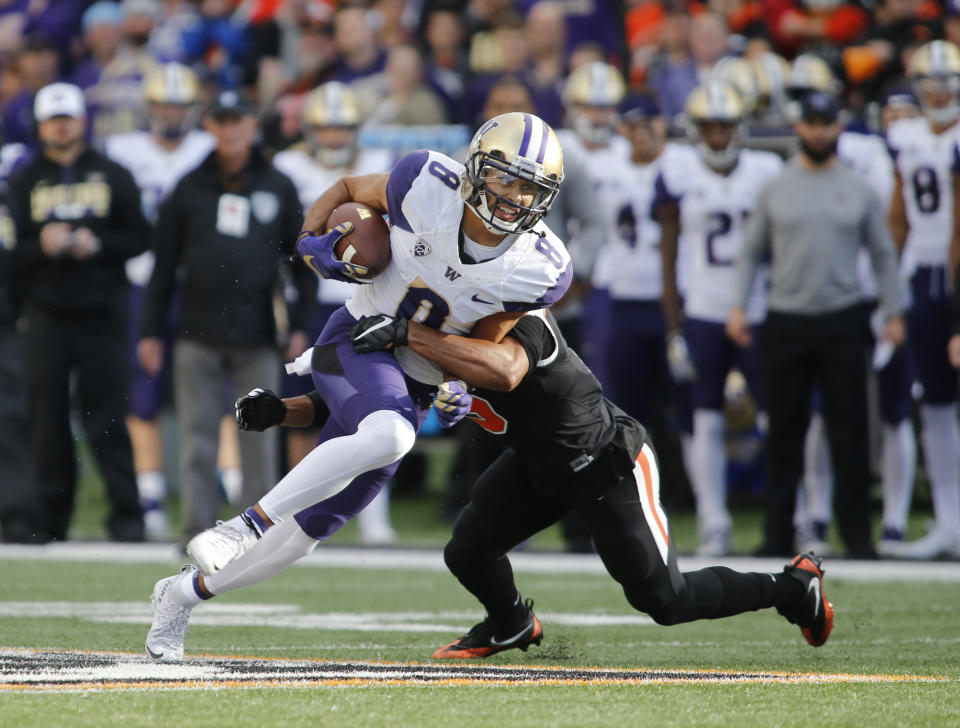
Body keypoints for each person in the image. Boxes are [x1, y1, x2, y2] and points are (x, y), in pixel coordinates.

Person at [144, 111, 572, 662]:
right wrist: (307, 242)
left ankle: (179, 596)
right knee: (392, 436)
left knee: (300, 540)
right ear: (475, 168)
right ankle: (242, 526)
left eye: (530, 188)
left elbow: (482, 342)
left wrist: (458, 380)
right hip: (357, 338)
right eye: (506, 178)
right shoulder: (426, 182)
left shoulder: (538, 265)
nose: (514, 197)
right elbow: (347, 188)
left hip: (410, 379)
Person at [229, 307, 835, 660]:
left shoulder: (519, 314)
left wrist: (409, 336)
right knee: (466, 548)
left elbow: (506, 366)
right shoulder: (438, 323)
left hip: (605, 461)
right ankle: (512, 620)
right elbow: (368, 405)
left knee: (664, 602)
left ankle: (791, 587)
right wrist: (283, 411)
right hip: (537, 465)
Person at [727, 91, 906, 559]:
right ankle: (777, 532)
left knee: (851, 432)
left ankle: (857, 536)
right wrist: (738, 306)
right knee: (785, 429)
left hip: (843, 317)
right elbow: (750, 252)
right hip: (786, 318)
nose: (820, 131)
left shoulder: (857, 187)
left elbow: (883, 254)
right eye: (812, 123)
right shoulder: (778, 186)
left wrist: (894, 311)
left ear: (838, 128)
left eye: (827, 123)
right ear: (800, 128)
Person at [138, 89, 313, 551]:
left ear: (253, 126)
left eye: (239, 120)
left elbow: (302, 259)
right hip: (196, 329)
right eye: (223, 120)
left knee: (259, 431)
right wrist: (152, 330)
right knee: (197, 436)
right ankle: (196, 528)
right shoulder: (189, 185)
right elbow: (163, 263)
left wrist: (296, 323)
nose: (232, 129)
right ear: (210, 127)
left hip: (257, 330)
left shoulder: (277, 185)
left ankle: (254, 530)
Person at [9, 82, 150, 542]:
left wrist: (100, 244)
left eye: (67, 116)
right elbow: (10, 250)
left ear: (82, 120)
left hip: (102, 312)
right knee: (46, 421)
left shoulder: (113, 173)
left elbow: (141, 236)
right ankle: (49, 520)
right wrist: (39, 246)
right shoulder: (25, 179)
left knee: (108, 416)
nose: (61, 125)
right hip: (44, 314)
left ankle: (126, 518)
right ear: (40, 124)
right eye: (52, 118)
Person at [657, 79, 783, 556]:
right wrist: (674, 326)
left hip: (760, 310)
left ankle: (802, 513)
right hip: (704, 311)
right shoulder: (679, 172)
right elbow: (668, 256)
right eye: (709, 127)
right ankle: (714, 520)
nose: (716, 136)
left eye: (724, 126)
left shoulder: (766, 171)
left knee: (781, 414)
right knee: (703, 417)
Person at [272, 81, 397, 545]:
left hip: (372, 302)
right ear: (309, 129)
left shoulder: (375, 167)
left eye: (341, 127)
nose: (332, 138)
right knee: (303, 410)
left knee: (381, 411)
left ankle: (373, 514)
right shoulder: (287, 166)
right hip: (311, 303)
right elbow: (282, 242)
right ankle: (299, 511)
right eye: (324, 128)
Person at [105, 62, 215, 541]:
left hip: (198, 285)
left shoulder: (209, 149)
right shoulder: (123, 152)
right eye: (163, 104)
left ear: (193, 108)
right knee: (141, 394)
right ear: (149, 107)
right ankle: (148, 498)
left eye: (179, 104)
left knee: (215, 393)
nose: (171, 113)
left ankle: (224, 494)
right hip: (141, 282)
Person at [884, 40, 960, 560]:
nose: (937, 90)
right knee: (934, 403)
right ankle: (950, 521)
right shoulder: (905, 135)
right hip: (922, 275)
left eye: (947, 81)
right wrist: (891, 295)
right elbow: (898, 217)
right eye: (929, 81)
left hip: (951, 278)